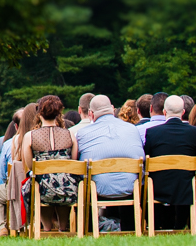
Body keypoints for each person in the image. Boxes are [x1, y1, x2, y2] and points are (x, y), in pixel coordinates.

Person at [79, 95, 144, 231]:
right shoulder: (132, 129)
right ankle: (131, 229)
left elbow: (80, 165)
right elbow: (141, 158)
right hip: (131, 187)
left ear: (91, 114)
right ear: (113, 109)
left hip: (98, 189)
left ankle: (90, 229)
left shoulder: (83, 134)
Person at [22, 98, 79, 232]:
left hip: (43, 189)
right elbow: (74, 161)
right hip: (68, 189)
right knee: (63, 179)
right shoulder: (70, 134)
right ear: (59, 114)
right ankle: (63, 226)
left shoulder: (30, 136)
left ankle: (46, 227)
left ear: (39, 114)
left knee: (36, 180)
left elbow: (31, 166)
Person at [143, 95, 196, 230]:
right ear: (184, 112)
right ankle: (180, 225)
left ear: (164, 112)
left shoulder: (152, 132)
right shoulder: (195, 133)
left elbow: (147, 157)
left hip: (159, 187)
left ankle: (156, 225)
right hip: (185, 188)